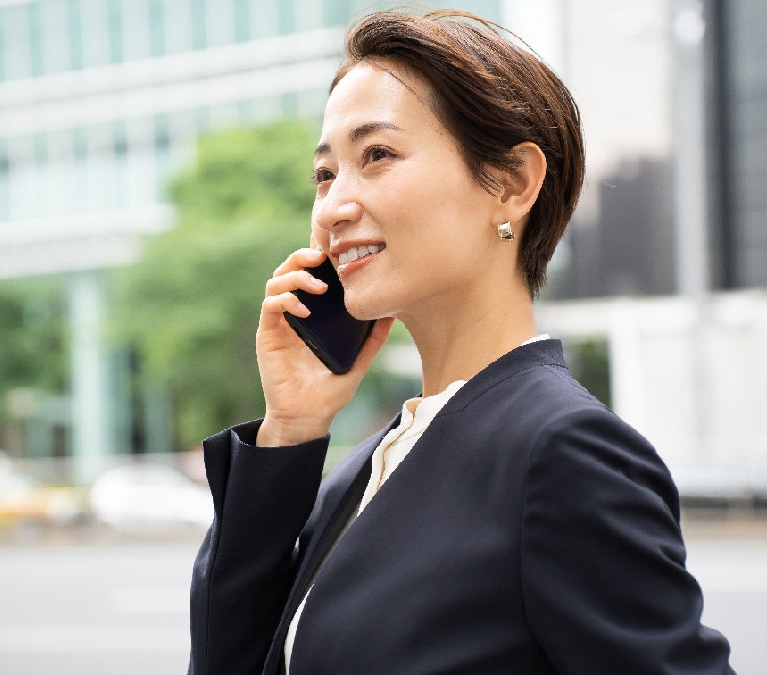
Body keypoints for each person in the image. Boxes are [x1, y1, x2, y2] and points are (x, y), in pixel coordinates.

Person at [188, 9, 733, 675]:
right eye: (326, 174)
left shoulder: (562, 453)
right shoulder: (370, 465)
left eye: (377, 155)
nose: (332, 208)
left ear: (510, 184)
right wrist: (291, 425)